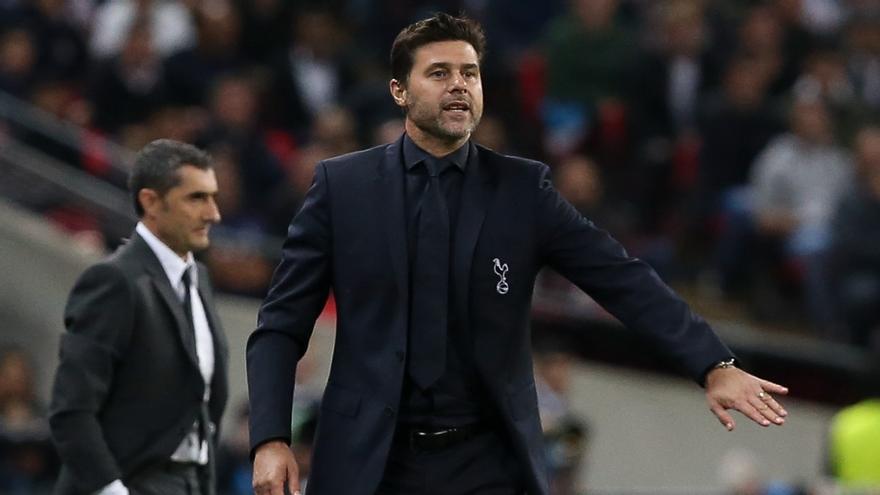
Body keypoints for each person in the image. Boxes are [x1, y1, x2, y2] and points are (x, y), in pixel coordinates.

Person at [247, 13, 789, 495]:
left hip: (487, 463)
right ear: (399, 91)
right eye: (439, 73)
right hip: (368, 461)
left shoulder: (524, 191)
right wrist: (270, 438)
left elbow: (622, 279)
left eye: (470, 73)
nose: (459, 85)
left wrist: (712, 363)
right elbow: (281, 325)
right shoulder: (342, 187)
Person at [49, 139, 229, 495]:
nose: (213, 214)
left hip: (190, 482)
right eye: (196, 198)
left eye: (213, 197)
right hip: (129, 482)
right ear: (151, 202)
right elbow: (71, 410)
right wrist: (112, 490)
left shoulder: (200, 280)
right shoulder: (114, 281)